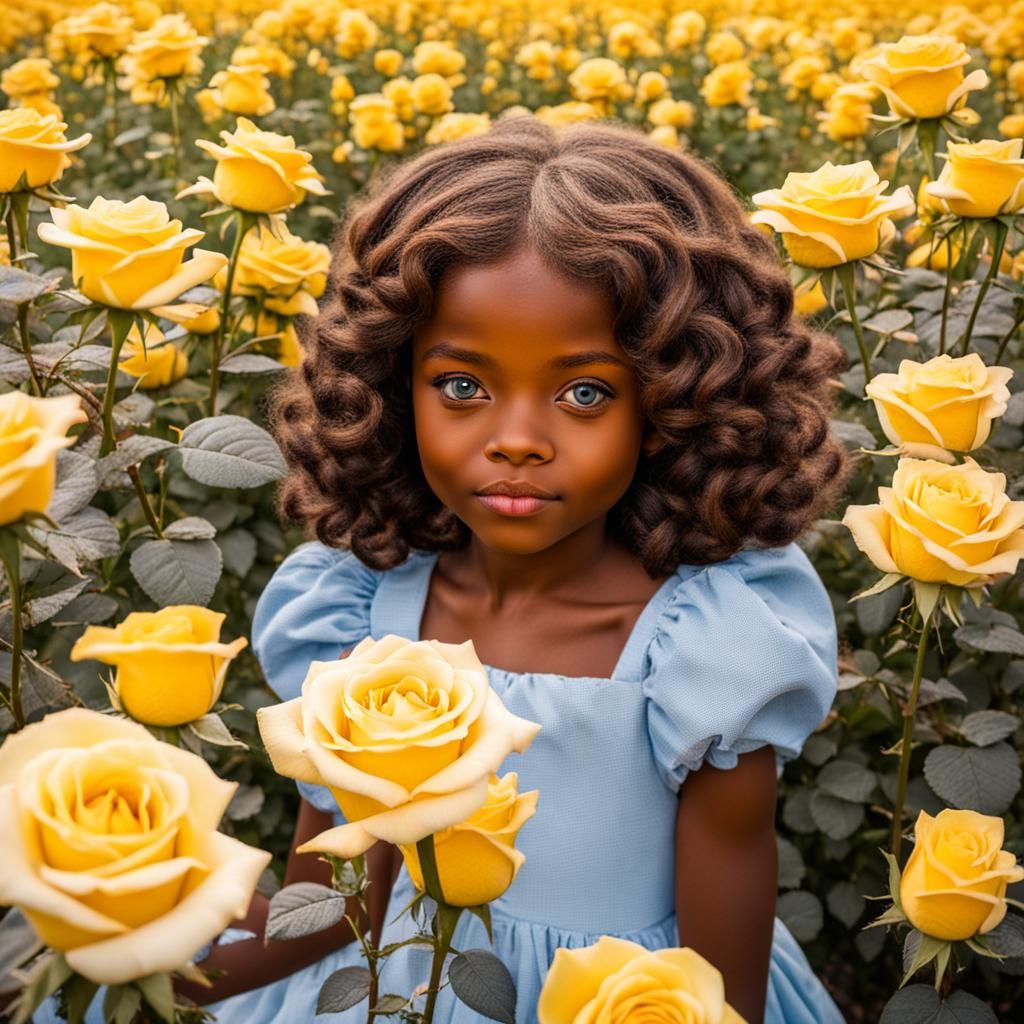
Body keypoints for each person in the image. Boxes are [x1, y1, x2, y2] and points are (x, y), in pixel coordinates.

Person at [36, 115, 854, 1024]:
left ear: (677, 398)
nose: (516, 441)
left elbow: (721, 992)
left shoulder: (707, 654)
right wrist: (123, 958)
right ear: (391, 384)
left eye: (584, 392)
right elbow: (335, 913)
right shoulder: (355, 615)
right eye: (462, 386)